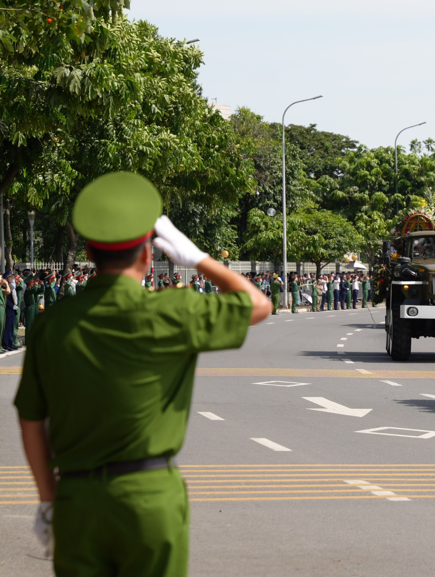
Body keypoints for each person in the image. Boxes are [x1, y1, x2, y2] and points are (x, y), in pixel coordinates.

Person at [13, 171, 270, 577]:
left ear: (91, 254)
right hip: (149, 498)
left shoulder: (53, 324)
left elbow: (31, 420)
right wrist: (198, 258)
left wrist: (49, 501)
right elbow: (258, 305)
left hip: (76, 500)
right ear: (149, 256)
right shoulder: (174, 310)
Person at [2, 272, 19, 350]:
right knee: (8, 328)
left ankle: (10, 343)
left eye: (12, 277)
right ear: (6, 278)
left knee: (11, 327)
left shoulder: (12, 286)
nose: (12, 279)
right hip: (9, 309)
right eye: (10, 277)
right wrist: (12, 306)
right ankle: (6, 344)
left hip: (12, 310)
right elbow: (6, 300)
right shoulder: (5, 287)